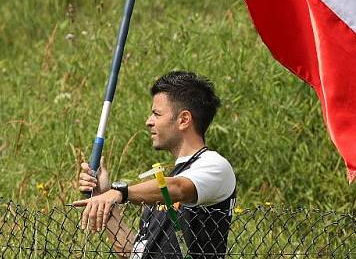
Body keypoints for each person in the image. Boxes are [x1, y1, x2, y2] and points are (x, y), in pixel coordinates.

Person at [73, 71, 236, 258]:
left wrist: (119, 192)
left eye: (156, 114)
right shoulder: (166, 185)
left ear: (184, 120)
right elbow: (133, 252)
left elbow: (179, 188)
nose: (148, 122)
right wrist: (102, 195)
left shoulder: (215, 166)